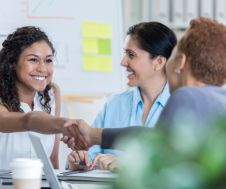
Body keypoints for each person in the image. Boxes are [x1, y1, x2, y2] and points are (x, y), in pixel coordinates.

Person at [63, 17, 226, 161]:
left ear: (180, 62)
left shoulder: (187, 97)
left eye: (173, 56)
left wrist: (93, 134)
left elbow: (154, 144)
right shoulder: (219, 100)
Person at [67, 21, 177, 171]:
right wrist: (79, 161)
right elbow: (90, 155)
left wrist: (129, 166)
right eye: (125, 53)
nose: (123, 62)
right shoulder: (114, 104)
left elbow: (182, 169)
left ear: (158, 62)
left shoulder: (182, 107)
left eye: (131, 55)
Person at [0, 26, 81, 169]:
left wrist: (73, 167)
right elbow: (27, 120)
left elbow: (52, 160)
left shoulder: (52, 93)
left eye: (48, 60)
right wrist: (66, 125)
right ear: (13, 63)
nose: (43, 69)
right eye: (33, 60)